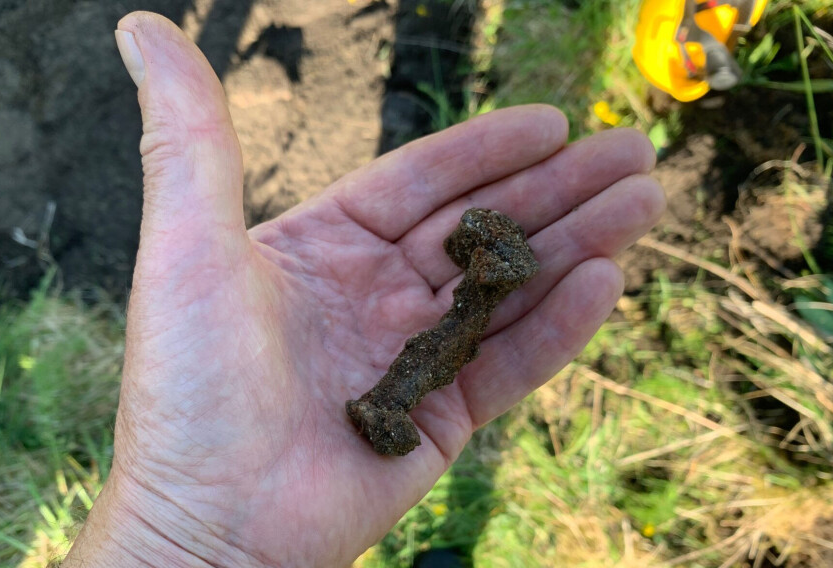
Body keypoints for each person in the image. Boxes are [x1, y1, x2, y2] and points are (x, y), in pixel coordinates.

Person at [62, 12, 665, 567]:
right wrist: (172, 533)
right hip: (421, 363)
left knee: (452, 335)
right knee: (447, 341)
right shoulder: (446, 330)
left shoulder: (467, 307)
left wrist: (172, 537)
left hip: (437, 346)